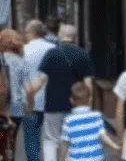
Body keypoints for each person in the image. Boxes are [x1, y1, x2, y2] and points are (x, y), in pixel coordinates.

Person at [26, 24, 94, 161]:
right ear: (75, 37)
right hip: (76, 105)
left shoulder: (51, 54)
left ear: (59, 36)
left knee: (51, 140)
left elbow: (40, 81)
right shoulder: (83, 55)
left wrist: (30, 97)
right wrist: (89, 105)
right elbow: (88, 84)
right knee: (72, 139)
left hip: (53, 105)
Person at [58, 82, 120, 161]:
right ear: (90, 99)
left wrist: (61, 159)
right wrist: (115, 146)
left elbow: (64, 143)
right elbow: (103, 136)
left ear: (71, 100)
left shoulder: (68, 120)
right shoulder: (96, 116)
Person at [23, 19, 56, 161]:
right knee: (51, 139)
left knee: (31, 138)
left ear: (31, 33)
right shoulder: (53, 49)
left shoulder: (24, 50)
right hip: (51, 100)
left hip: (29, 99)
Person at [0, 29, 33, 131]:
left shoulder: (2, 60)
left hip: (2, 106)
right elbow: (28, 89)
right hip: (17, 107)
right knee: (12, 137)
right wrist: (30, 106)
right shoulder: (22, 62)